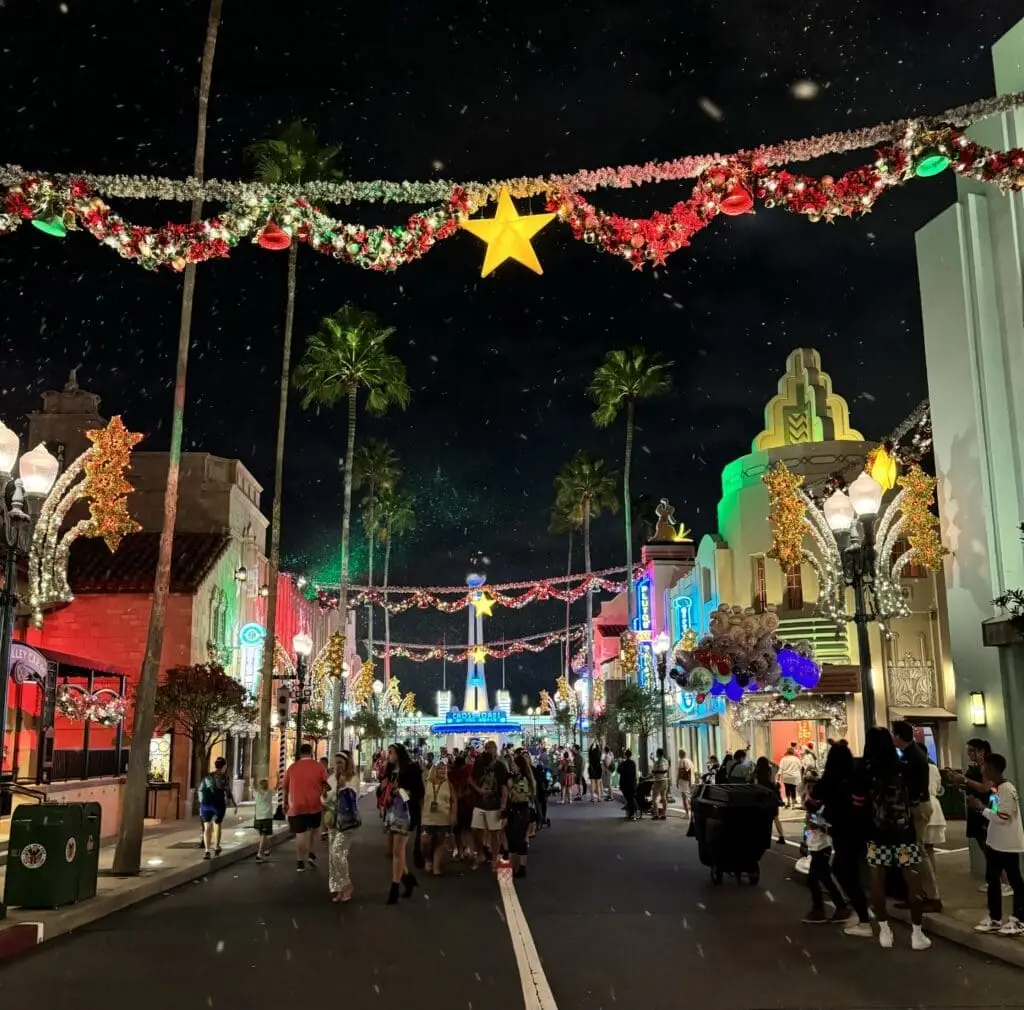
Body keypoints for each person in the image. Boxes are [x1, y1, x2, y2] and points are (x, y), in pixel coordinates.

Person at [854, 727, 930, 950]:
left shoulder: (865, 770)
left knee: (877, 878)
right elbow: (916, 796)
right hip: (904, 831)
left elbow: (859, 802)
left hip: (877, 833)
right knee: (912, 875)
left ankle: (885, 930)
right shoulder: (902, 768)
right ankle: (917, 933)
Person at [816, 741, 872, 937]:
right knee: (852, 871)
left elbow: (813, 801)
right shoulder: (857, 775)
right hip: (861, 831)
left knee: (844, 872)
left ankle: (864, 920)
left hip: (842, 832)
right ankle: (864, 909)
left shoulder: (830, 780)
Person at [969, 752, 1024, 935]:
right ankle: (995, 918)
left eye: (984, 766)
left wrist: (980, 808)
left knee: (1015, 881)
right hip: (996, 842)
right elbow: (995, 811)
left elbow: (1003, 816)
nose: (981, 768)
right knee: (992, 879)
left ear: (991, 769)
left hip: (1007, 844)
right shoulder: (997, 788)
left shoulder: (1007, 789)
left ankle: (1019, 920)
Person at [892, 721, 941, 912]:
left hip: (917, 807)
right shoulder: (910, 753)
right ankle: (915, 894)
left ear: (898, 736)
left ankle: (932, 896)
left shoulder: (912, 756)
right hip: (916, 806)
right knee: (911, 852)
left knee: (918, 852)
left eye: (892, 734)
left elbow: (911, 786)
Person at [802, 779, 851, 924]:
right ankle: (838, 908)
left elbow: (830, 826)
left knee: (813, 879)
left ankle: (821, 910)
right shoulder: (811, 807)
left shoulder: (825, 808)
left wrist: (817, 824)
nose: (809, 792)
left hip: (823, 846)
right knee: (824, 878)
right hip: (815, 846)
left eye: (811, 789)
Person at [382, 743, 421, 904]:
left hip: (405, 812)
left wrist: (402, 791)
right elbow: (384, 789)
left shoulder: (412, 768)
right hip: (392, 811)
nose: (388, 755)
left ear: (399, 753)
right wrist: (385, 788)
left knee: (398, 850)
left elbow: (419, 791)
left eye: (391, 752)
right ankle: (406, 878)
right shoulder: (390, 769)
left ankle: (395, 887)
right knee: (395, 851)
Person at [282, 743, 328, 872]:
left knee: (300, 834)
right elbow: (325, 785)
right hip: (315, 804)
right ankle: (311, 852)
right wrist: (324, 796)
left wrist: (285, 803)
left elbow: (285, 787)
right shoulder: (319, 767)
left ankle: (300, 861)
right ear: (311, 752)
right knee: (315, 829)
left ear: (300, 753)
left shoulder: (292, 768)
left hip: (296, 805)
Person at [470, 741, 509, 870]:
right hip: (480, 802)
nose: (488, 750)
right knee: (475, 829)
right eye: (486, 747)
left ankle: (494, 858)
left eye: (490, 747)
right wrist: (478, 790)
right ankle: (481, 853)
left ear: (495, 749)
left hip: (494, 803)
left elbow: (504, 786)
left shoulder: (500, 766)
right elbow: (471, 779)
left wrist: (503, 805)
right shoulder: (479, 763)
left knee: (494, 833)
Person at [325, 751, 358, 902]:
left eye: (340, 762)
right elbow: (324, 798)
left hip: (347, 822)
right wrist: (327, 796)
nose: (337, 765)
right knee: (333, 856)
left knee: (338, 851)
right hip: (333, 820)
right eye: (336, 762)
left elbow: (352, 797)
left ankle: (347, 884)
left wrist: (342, 787)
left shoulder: (353, 778)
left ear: (347, 763)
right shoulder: (332, 778)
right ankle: (338, 888)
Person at [420, 759, 457, 876]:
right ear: (434, 770)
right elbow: (421, 799)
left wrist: (453, 815)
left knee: (440, 842)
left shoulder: (448, 784)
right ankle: (427, 859)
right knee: (425, 840)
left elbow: (454, 800)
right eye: (440, 768)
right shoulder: (427, 782)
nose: (442, 771)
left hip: (443, 817)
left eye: (444, 769)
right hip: (427, 817)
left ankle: (436, 867)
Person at [198, 756, 238, 860]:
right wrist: (233, 803)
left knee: (207, 827)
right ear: (224, 766)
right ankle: (216, 846)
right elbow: (227, 791)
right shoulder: (224, 776)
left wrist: (201, 802)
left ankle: (207, 851)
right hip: (218, 803)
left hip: (206, 804)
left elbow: (201, 789)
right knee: (217, 824)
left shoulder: (208, 776)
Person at [505, 753, 535, 878]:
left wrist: (511, 788)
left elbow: (522, 797)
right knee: (511, 838)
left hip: (520, 811)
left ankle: (521, 867)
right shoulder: (516, 778)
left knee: (519, 838)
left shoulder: (523, 780)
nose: (512, 767)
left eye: (514, 765)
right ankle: (511, 866)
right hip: (514, 811)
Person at [754, 757, 786, 845]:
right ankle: (781, 836)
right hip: (772, 794)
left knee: (762, 817)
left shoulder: (757, 772)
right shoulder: (771, 770)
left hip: (762, 795)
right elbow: (778, 766)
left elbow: (751, 780)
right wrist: (769, 761)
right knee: (775, 817)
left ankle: (762, 836)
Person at [252, 777, 275, 862]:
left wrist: (252, 782)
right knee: (263, 835)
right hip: (267, 817)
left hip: (258, 817)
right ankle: (260, 852)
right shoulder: (269, 793)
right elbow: (276, 786)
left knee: (262, 834)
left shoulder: (256, 793)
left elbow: (252, 788)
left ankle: (265, 849)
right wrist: (279, 779)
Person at [618, 749, 638, 820]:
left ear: (625, 755)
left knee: (629, 799)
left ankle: (632, 814)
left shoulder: (623, 763)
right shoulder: (633, 763)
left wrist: (619, 763)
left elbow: (619, 771)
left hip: (625, 784)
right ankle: (632, 813)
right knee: (631, 798)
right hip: (632, 783)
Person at [651, 747, 670, 819]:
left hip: (658, 781)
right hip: (665, 781)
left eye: (656, 753)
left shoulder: (657, 762)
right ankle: (663, 814)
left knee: (654, 798)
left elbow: (654, 772)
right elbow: (666, 770)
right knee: (664, 798)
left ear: (658, 754)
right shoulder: (665, 761)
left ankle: (656, 814)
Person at [676, 749, 694, 816]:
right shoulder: (689, 761)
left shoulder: (682, 761)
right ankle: (692, 813)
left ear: (680, 754)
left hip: (684, 781)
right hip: (690, 781)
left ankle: (687, 814)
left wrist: (677, 781)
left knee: (684, 798)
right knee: (689, 797)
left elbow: (681, 772)